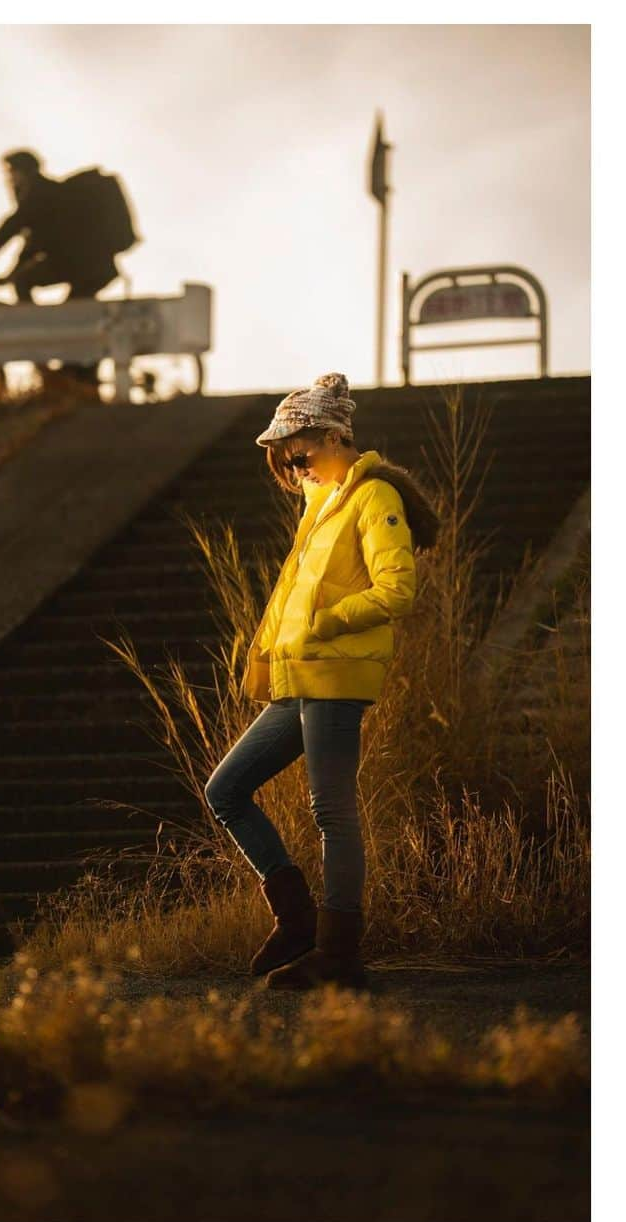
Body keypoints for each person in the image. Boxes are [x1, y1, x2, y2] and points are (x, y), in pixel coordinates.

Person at [204, 373, 440, 991]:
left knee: (331, 810)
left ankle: (339, 955)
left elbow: (397, 590)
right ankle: (299, 920)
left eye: (301, 454)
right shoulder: (322, 506)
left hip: (336, 674)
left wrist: (328, 621)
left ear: (337, 436)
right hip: (299, 678)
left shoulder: (371, 499)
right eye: (286, 461)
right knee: (226, 789)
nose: (295, 468)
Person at [0, 149, 123, 396]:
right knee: (77, 317)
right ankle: (79, 374)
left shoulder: (39, 194)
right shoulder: (50, 198)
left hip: (87, 267)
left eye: (11, 173)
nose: (9, 180)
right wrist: (8, 275)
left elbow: (12, 226)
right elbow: (30, 249)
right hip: (90, 267)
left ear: (24, 172)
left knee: (54, 303)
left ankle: (38, 332)